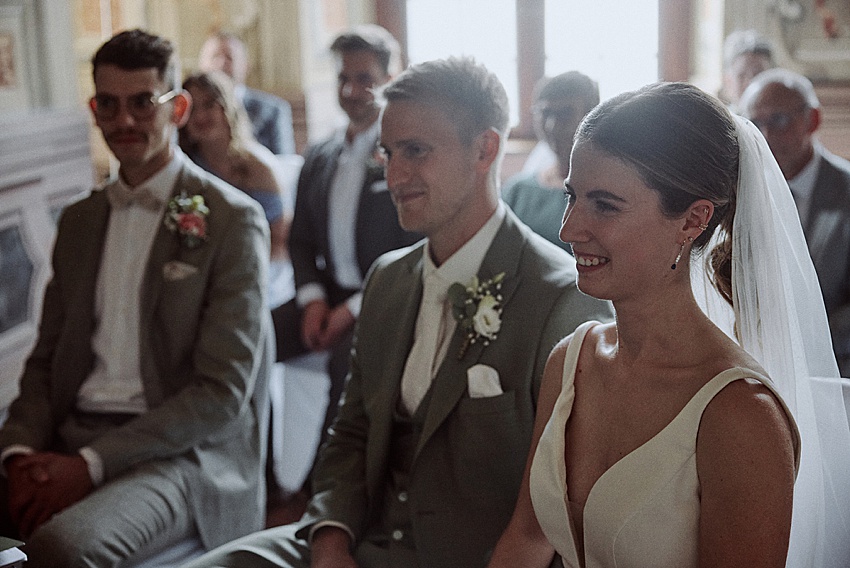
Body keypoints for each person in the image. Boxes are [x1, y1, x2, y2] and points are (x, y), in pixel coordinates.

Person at [183, 56, 613, 568]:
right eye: (388, 152)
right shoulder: (387, 278)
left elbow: (560, 501)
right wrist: (331, 543)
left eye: (415, 151)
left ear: (485, 149)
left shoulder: (563, 297)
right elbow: (351, 433)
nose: (394, 173)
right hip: (356, 541)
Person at [487, 82, 850, 568]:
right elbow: (527, 538)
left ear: (692, 220)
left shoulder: (742, 415)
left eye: (605, 205)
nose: (568, 229)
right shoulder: (571, 361)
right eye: (573, 196)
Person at [0, 29, 273, 567]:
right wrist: (19, 455)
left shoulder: (231, 220)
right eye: (109, 104)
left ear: (178, 108)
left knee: (62, 549)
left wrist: (89, 464)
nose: (124, 121)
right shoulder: (79, 221)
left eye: (143, 103)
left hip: (182, 455)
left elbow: (221, 395)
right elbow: (45, 360)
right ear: (94, 108)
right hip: (71, 428)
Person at [270, 24, 419, 473]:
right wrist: (313, 300)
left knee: (345, 359)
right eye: (343, 79)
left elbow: (411, 248)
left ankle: (316, 488)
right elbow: (300, 241)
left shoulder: (404, 156)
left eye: (365, 79)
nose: (352, 91)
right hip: (327, 292)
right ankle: (259, 475)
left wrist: (348, 312)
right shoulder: (319, 154)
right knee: (251, 338)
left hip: (383, 299)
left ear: (389, 81)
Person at [739, 68, 850, 376]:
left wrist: (806, 340)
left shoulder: (845, 192)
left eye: (778, 120)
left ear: (812, 120)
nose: (766, 136)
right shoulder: (737, 193)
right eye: (755, 124)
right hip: (758, 369)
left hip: (836, 371)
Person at [180, 71, 289, 266]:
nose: (200, 116)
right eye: (192, 109)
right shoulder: (184, 168)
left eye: (209, 105)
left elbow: (279, 241)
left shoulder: (259, 166)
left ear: (228, 108)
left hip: (261, 266)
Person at [503, 71, 599, 251]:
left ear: (591, 115)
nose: (552, 125)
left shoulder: (606, 195)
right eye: (545, 113)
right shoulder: (517, 191)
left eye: (566, 114)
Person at [199, 31, 296, 155]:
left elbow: (284, 162)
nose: (221, 63)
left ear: (246, 66)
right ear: (201, 65)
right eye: (215, 56)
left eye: (229, 57)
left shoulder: (273, 110)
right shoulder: (193, 112)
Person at [720, 29, 775, 111]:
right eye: (742, 76)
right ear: (728, 81)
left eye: (759, 74)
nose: (750, 82)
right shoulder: (718, 122)